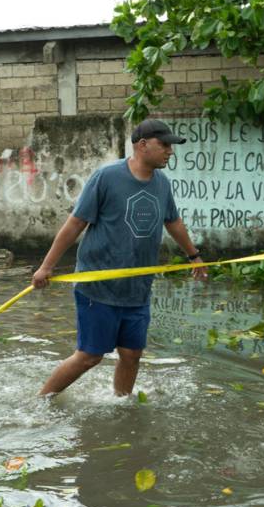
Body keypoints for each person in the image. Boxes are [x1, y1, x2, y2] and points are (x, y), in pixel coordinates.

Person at [32, 119, 207, 397]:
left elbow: (172, 222)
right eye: (164, 145)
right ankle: (42, 400)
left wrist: (194, 257)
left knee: (132, 354)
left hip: (137, 288)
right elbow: (76, 223)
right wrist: (46, 267)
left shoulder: (162, 184)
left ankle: (121, 406)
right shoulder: (107, 177)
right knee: (90, 356)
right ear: (142, 145)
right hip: (98, 285)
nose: (170, 152)